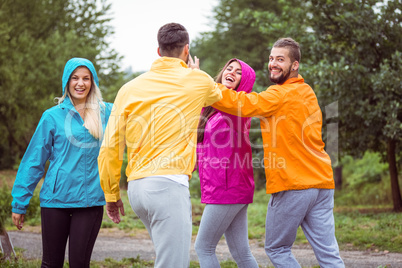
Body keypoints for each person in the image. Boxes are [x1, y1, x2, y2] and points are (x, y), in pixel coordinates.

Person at [211, 38, 345, 267]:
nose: (273, 63)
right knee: (329, 254)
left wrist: (205, 86)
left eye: (280, 59)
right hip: (322, 184)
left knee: (277, 248)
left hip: (294, 185)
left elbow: (242, 104)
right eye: (271, 58)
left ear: (295, 65)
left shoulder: (279, 95)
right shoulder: (307, 92)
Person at [98, 23, 222, 268]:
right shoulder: (198, 80)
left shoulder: (128, 88)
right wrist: (195, 73)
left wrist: (111, 193)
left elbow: (111, 146)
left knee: (166, 258)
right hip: (167, 187)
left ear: (158, 51)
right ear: (186, 50)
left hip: (137, 191)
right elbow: (216, 97)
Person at [11, 57, 113, 268]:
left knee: (79, 264)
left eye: (86, 78)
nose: (80, 83)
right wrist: (20, 202)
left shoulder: (107, 113)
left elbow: (139, 111)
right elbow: (33, 161)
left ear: (93, 82)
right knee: (51, 264)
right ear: (67, 81)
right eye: (75, 78)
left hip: (89, 201)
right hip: (55, 201)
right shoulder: (52, 116)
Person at [194, 58, 258, 268]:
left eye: (238, 72)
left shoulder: (239, 107)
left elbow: (222, 96)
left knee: (203, 248)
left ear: (245, 81)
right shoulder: (213, 109)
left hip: (227, 189)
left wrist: (198, 77)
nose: (232, 72)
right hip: (228, 188)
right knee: (241, 253)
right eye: (229, 68)